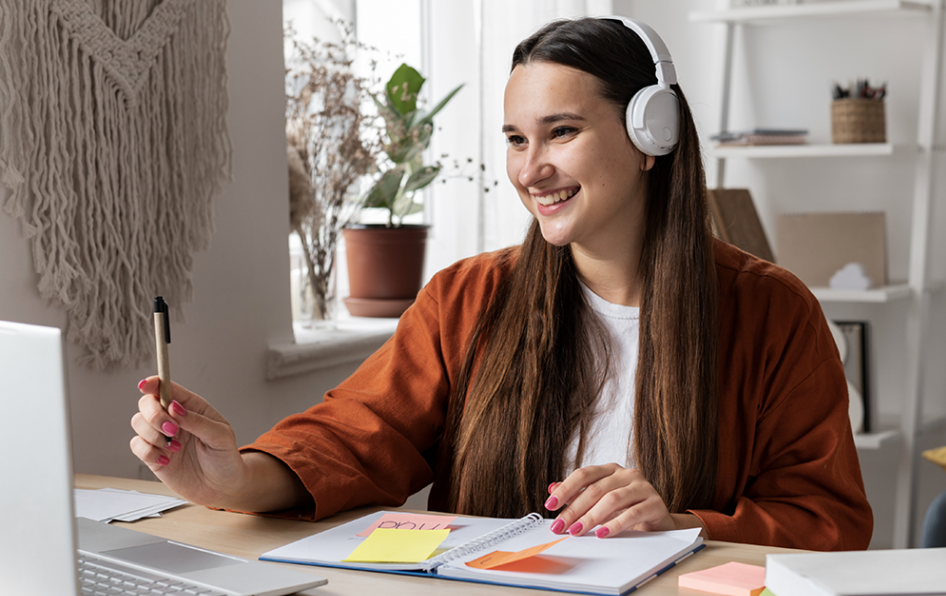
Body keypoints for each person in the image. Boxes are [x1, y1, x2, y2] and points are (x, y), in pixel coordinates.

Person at [130, 16, 873, 551]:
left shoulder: (774, 312)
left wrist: (682, 523)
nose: (529, 169)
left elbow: (827, 520)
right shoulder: (468, 299)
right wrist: (231, 478)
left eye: (561, 133)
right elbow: (357, 437)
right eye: (517, 139)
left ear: (654, 137)